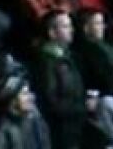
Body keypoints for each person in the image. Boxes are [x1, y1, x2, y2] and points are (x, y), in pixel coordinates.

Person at [33, 10, 86, 149]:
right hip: (61, 130)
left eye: (70, 25)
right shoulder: (46, 61)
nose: (71, 30)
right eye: (65, 26)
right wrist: (80, 108)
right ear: (52, 32)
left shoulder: (68, 56)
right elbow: (50, 100)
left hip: (75, 125)